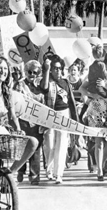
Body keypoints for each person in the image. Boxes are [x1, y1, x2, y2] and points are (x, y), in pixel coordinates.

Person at [0, 55, 38, 202]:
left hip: (0, 132)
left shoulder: (7, 92)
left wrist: (18, 129)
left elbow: (12, 116)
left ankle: (7, 175)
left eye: (5, 68)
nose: (2, 71)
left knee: (32, 142)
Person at [79, 51, 107, 181]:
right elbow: (82, 88)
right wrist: (92, 95)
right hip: (96, 109)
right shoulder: (95, 73)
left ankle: (99, 162)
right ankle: (100, 171)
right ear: (105, 61)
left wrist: (105, 86)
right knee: (98, 142)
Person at [40, 54, 79, 184]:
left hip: (64, 113)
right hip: (50, 114)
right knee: (50, 144)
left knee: (62, 143)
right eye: (54, 68)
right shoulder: (47, 80)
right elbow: (44, 88)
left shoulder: (66, 82)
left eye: (59, 68)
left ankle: (59, 174)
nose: (57, 71)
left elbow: (71, 102)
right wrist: (45, 70)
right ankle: (49, 170)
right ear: (50, 69)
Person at [13, 60, 44, 185]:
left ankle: (34, 175)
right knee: (22, 147)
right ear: (25, 72)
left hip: (37, 122)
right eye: (29, 72)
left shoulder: (41, 85)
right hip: (23, 121)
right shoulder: (19, 85)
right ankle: (21, 170)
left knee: (36, 149)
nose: (32, 74)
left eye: (35, 72)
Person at [78, 48, 107, 127]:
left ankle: (81, 115)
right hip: (99, 88)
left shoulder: (91, 66)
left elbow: (90, 76)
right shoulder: (102, 65)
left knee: (87, 102)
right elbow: (105, 75)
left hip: (91, 87)